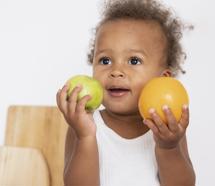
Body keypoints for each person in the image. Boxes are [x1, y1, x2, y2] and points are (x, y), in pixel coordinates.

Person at [56, 0, 195, 185]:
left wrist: (168, 147)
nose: (116, 71)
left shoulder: (167, 128)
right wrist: (85, 137)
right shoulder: (85, 125)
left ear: (163, 79)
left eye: (134, 61)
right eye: (105, 61)